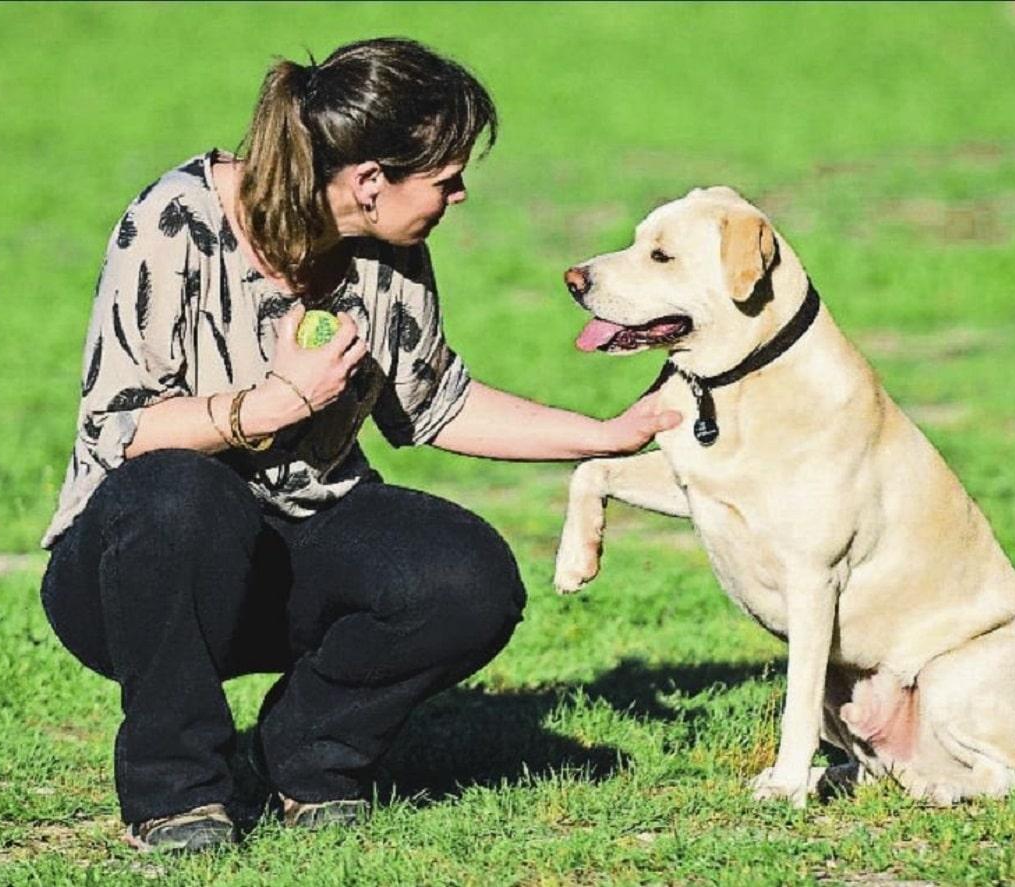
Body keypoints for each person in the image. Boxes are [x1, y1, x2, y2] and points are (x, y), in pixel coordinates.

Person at [39, 37, 678, 853]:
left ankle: (305, 756)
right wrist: (273, 403)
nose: (460, 193)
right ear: (370, 182)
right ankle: (178, 791)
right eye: (446, 179)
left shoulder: (390, 249)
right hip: (132, 573)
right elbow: (119, 429)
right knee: (178, 491)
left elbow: (436, 402)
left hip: (291, 545)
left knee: (466, 575)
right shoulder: (174, 222)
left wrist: (607, 435)